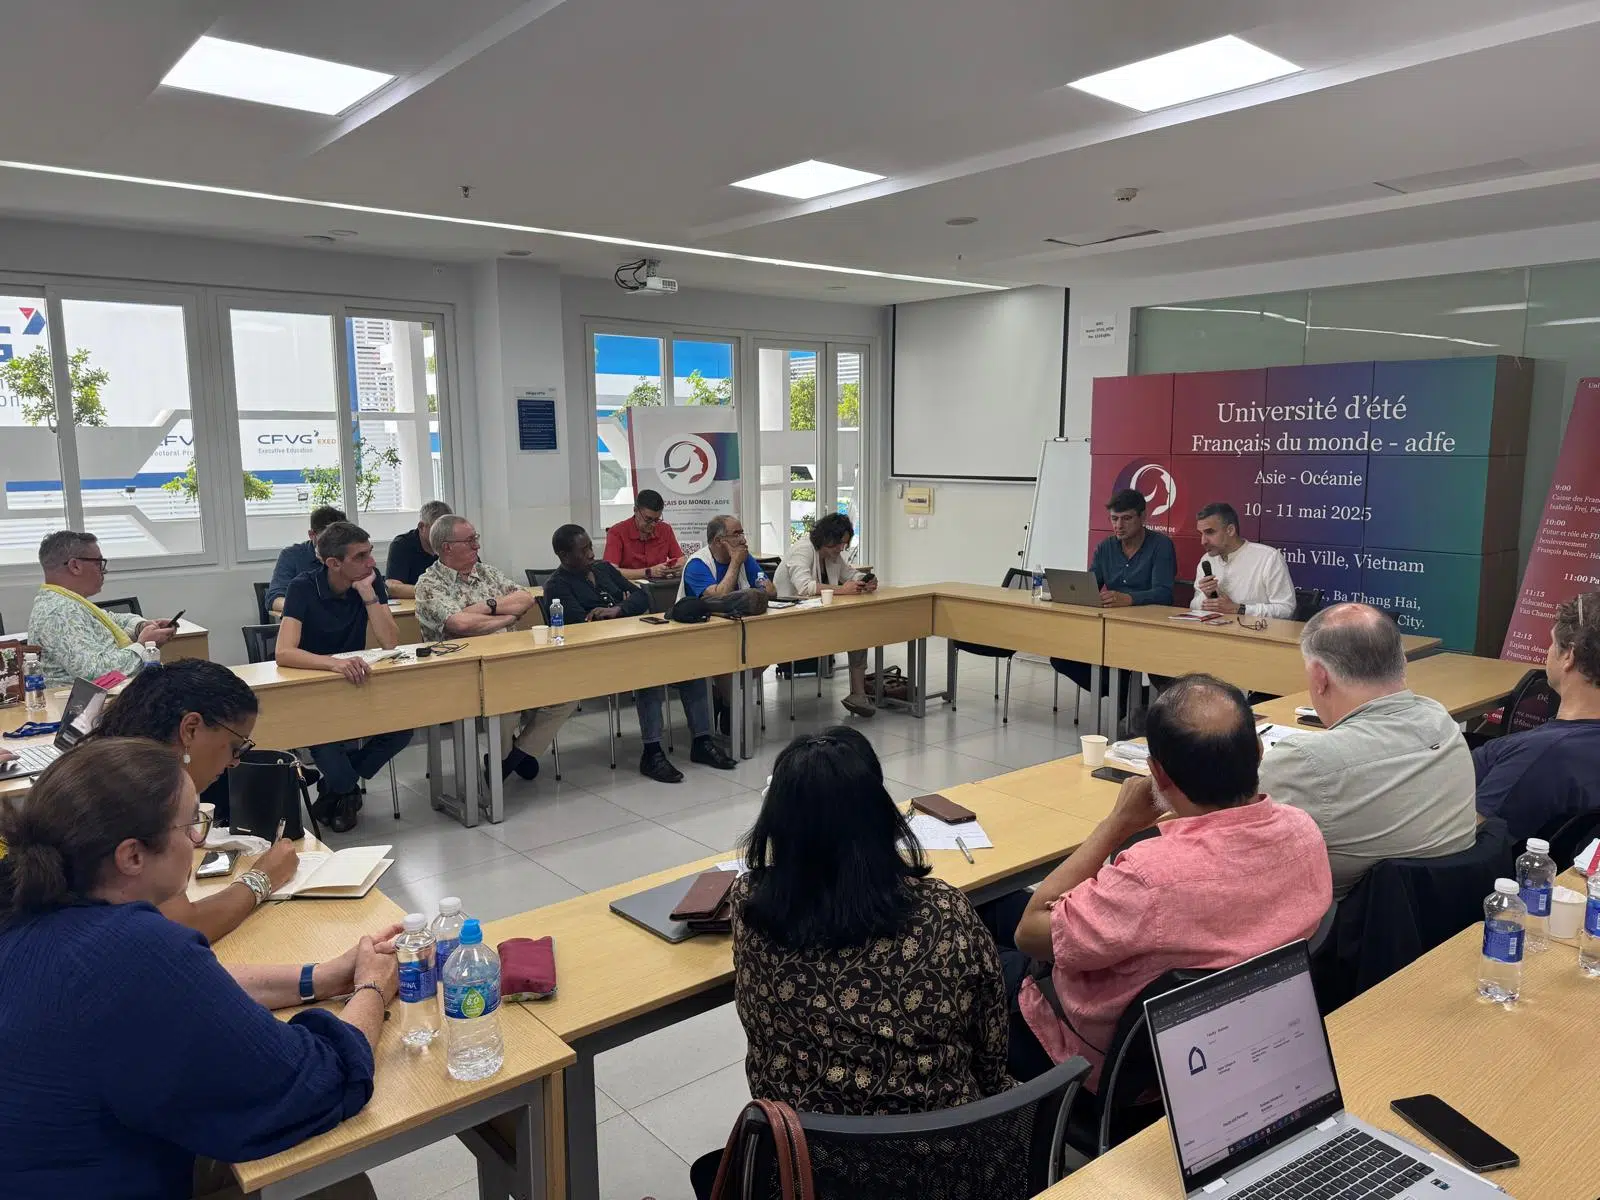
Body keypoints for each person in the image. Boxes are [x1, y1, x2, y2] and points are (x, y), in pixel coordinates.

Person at [0, 738, 398, 1200]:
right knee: (332, 1185)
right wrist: (372, 987)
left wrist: (320, 977)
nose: (198, 841)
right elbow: (317, 1082)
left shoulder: (31, 908)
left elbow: (193, 991)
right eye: (191, 824)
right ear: (132, 856)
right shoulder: (131, 950)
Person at [687, 727, 1011, 1198]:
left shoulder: (750, 908)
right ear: (881, 816)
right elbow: (991, 1053)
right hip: (947, 1172)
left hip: (805, 1172)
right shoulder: (944, 912)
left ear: (777, 823)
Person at [997, 674, 1331, 1088]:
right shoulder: (1304, 832)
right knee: (1001, 903)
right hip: (1229, 1045)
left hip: (1104, 1060)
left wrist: (1117, 823)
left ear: (1157, 773)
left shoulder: (1150, 877)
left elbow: (1029, 933)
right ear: (1259, 753)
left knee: (978, 937)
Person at [1259, 603, 1476, 900]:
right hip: (1447, 911)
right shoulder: (1440, 720)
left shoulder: (1305, 760)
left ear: (1320, 676)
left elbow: (1230, 835)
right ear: (1402, 662)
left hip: (1345, 921)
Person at [87, 659, 300, 945]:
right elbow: (181, 928)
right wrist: (262, 877)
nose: (235, 762)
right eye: (236, 747)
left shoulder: (109, 767)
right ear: (190, 729)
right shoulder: (140, 796)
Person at [544, 524, 735, 782]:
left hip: (633, 643)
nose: (591, 554)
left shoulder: (603, 569)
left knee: (691, 664)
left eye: (590, 546)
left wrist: (617, 609)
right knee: (648, 672)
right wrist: (622, 606)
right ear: (564, 556)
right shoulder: (557, 586)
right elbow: (583, 625)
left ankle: (702, 741)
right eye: (583, 550)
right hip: (598, 656)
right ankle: (652, 752)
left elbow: (641, 597)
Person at [414, 514, 571, 782]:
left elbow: (526, 598)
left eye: (476, 538)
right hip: (464, 671)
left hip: (510, 659)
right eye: (469, 540)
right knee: (505, 703)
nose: (477, 545)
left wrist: (489, 606)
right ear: (447, 547)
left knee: (567, 692)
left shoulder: (487, 572)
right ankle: (506, 760)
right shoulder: (428, 584)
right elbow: (460, 624)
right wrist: (507, 616)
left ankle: (513, 758)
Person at [275, 521, 411, 832]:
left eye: (370, 552)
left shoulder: (369, 581)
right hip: (313, 687)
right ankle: (345, 792)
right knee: (327, 747)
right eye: (360, 556)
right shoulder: (303, 587)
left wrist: (369, 595)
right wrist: (333, 664)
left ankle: (335, 791)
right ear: (334, 563)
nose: (371, 562)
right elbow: (284, 652)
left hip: (356, 683)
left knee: (403, 728)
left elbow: (390, 641)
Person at [1474, 590, 1600, 841]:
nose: (1548, 651)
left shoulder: (1540, 756)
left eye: (1552, 642)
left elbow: (1467, 841)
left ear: (1569, 656)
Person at [1050, 488, 1178, 722]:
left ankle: (1126, 695)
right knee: (1061, 656)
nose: (1119, 525)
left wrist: (1130, 599)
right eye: (1114, 519)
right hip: (1108, 626)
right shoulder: (1105, 547)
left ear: (1143, 517)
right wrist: (1076, 594)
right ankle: (1124, 693)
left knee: (1131, 660)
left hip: (1146, 627)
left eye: (1126, 518)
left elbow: (1164, 593)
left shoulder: (1161, 545)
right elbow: (1091, 585)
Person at [27, 530, 176, 686]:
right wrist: (143, 647)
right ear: (75, 566)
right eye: (98, 563)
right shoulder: (59, 612)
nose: (104, 570)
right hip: (90, 700)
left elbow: (113, 620)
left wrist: (141, 626)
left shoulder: (68, 602)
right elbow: (96, 674)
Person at [774, 512, 881, 718]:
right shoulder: (802, 550)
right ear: (826, 538)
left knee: (858, 631)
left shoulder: (832, 554)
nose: (841, 549)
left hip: (818, 616)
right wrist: (843, 590)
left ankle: (858, 694)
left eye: (844, 544)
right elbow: (804, 587)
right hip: (790, 619)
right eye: (839, 544)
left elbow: (849, 574)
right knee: (854, 630)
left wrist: (865, 580)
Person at [681, 514, 776, 733]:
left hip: (736, 630)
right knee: (728, 658)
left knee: (769, 651)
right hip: (698, 635)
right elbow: (719, 597)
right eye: (736, 534)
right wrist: (735, 563)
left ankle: (723, 696)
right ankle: (727, 702)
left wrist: (758, 584)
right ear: (718, 541)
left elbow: (770, 590)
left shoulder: (745, 558)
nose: (743, 539)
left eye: (742, 533)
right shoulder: (697, 564)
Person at [1190, 501, 1295, 619]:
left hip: (1254, 630)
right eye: (1201, 534)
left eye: (1210, 532)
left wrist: (1240, 609)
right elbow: (1193, 605)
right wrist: (1207, 596)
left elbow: (1286, 609)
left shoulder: (1268, 558)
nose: (1203, 541)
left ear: (1230, 530)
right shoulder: (1207, 559)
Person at [266, 505, 346, 615]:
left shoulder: (350, 554)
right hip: (307, 620)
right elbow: (274, 599)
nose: (335, 544)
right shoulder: (292, 556)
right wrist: (302, 607)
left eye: (341, 539)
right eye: (328, 539)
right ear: (312, 535)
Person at [603, 489, 687, 582]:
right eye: (648, 519)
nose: (653, 524)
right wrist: (648, 572)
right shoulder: (617, 532)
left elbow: (681, 559)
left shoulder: (665, 529)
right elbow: (610, 571)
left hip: (660, 585)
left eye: (657, 519)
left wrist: (677, 567)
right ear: (635, 510)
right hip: (629, 586)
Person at [383, 499, 453, 599]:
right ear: (421, 527)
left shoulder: (456, 542)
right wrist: (434, 592)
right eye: (437, 530)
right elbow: (392, 587)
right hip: (414, 604)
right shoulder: (402, 545)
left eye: (448, 530)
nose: (444, 535)